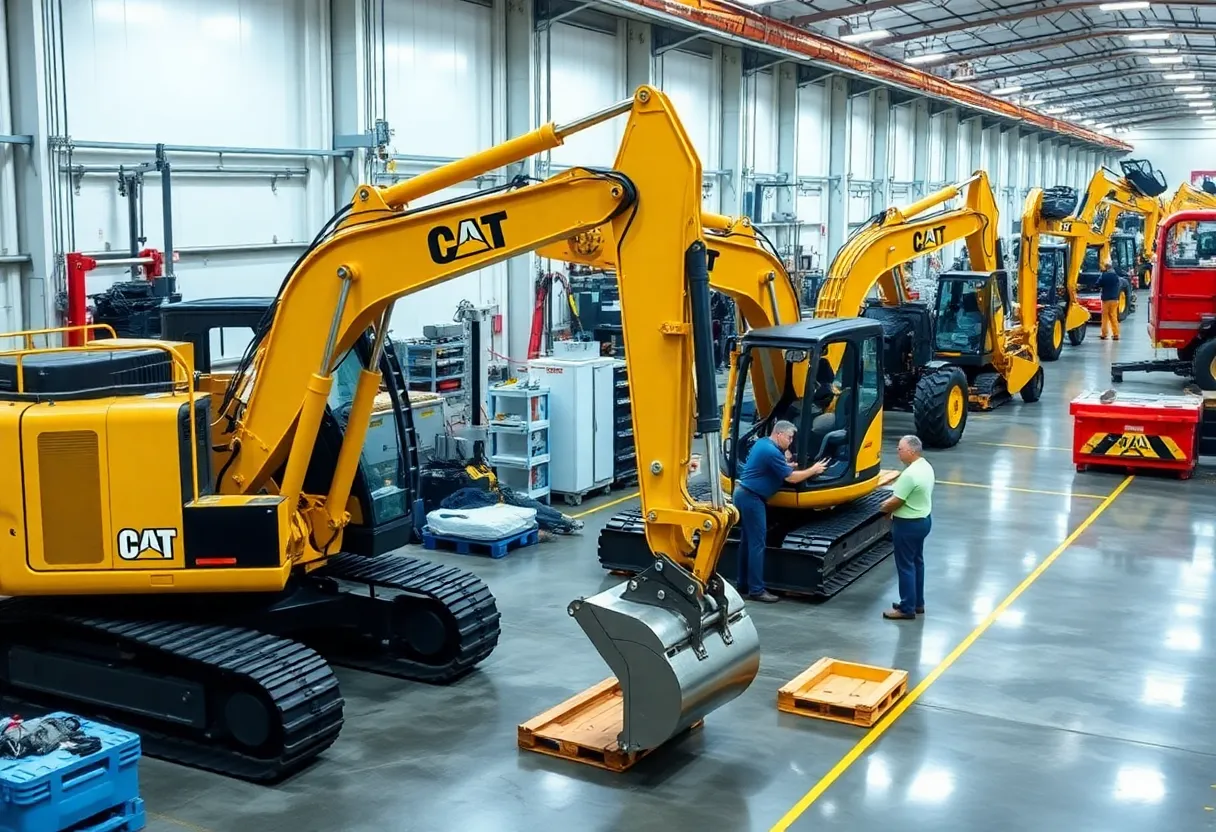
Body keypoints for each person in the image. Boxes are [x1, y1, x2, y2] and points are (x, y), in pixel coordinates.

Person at [734, 421, 828, 603]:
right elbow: (791, 479)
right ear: (779, 434)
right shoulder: (771, 451)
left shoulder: (763, 443)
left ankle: (743, 584)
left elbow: (774, 468)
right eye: (789, 437)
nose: (791, 441)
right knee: (757, 544)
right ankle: (756, 590)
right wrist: (813, 470)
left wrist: (787, 465)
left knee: (747, 543)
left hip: (744, 494)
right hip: (752, 498)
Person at [881, 435, 935, 620]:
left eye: (900, 449)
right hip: (923, 521)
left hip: (907, 525)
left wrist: (882, 508)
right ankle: (917, 603)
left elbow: (896, 500)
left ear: (911, 451)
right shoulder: (925, 466)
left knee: (905, 566)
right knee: (917, 562)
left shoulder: (909, 475)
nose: (898, 452)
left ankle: (906, 608)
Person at [1098, 259, 1122, 341]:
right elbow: (1118, 285)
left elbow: (1098, 284)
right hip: (1114, 299)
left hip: (1106, 299)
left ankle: (1104, 334)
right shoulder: (1116, 276)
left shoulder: (1104, 276)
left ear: (1106, 268)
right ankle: (1116, 334)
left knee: (1105, 317)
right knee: (1113, 317)